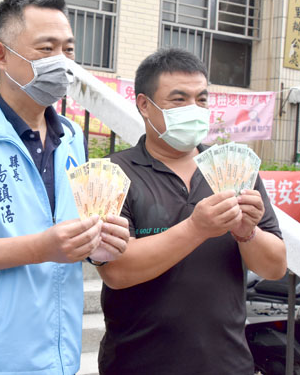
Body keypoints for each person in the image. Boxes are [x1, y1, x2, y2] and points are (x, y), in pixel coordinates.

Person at [0, 0, 131, 375]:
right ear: (1, 56)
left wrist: (99, 244)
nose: (63, 62)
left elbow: (71, 233)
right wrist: (40, 247)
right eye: (46, 48)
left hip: (59, 357)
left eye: (68, 50)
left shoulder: (72, 136)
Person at [96, 48, 287, 374]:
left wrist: (248, 234)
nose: (194, 110)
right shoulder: (111, 173)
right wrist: (196, 228)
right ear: (144, 104)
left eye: (201, 99)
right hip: (137, 364)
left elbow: (275, 267)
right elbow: (116, 272)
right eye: (178, 99)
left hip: (227, 363)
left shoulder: (234, 169)